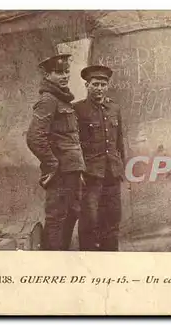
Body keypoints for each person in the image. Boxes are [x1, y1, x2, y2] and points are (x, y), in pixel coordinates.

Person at [26, 54, 85, 250]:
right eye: (58, 72)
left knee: (72, 212)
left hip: (72, 170)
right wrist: (52, 164)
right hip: (61, 172)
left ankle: (61, 256)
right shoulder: (48, 100)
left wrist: (78, 168)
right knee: (57, 217)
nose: (64, 76)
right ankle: (51, 261)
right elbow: (35, 137)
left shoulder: (63, 99)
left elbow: (70, 138)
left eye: (67, 71)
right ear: (47, 75)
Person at [73, 65, 126, 251]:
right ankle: (88, 260)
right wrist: (78, 170)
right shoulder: (77, 110)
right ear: (87, 85)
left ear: (107, 86)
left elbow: (120, 141)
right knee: (89, 219)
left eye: (103, 84)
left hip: (112, 172)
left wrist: (122, 168)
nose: (99, 88)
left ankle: (109, 258)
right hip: (90, 174)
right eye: (95, 84)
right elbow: (74, 143)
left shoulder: (114, 108)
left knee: (112, 218)